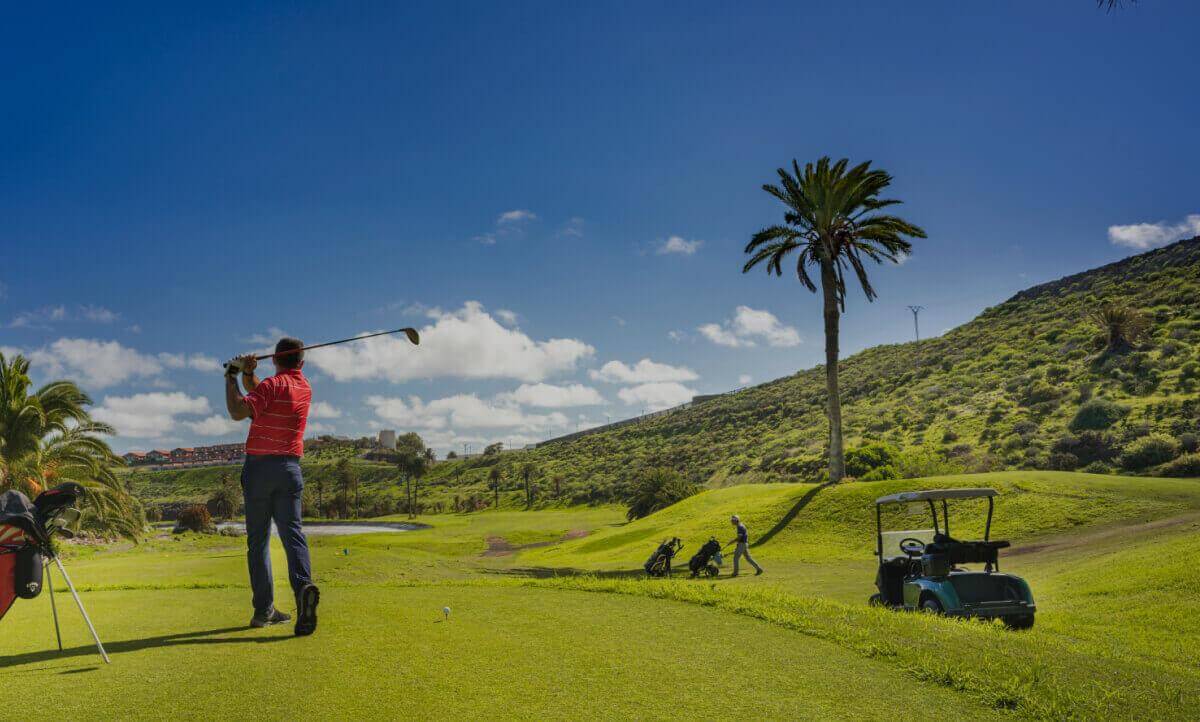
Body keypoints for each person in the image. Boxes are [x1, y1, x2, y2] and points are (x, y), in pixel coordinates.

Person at [225, 338, 320, 636]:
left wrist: (230, 375)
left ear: (276, 360)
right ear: (301, 363)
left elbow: (238, 411)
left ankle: (263, 610)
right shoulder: (304, 388)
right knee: (293, 534)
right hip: (290, 469)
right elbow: (261, 391)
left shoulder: (271, 386)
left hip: (259, 470)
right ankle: (303, 587)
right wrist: (248, 373)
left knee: (258, 541)